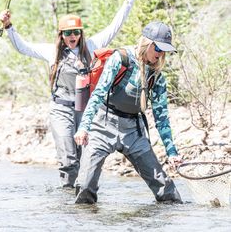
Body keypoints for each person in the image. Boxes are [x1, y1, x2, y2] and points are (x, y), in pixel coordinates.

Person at [0, 0, 141, 188]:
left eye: (76, 32)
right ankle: (67, 199)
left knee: (84, 157)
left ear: (81, 34)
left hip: (84, 110)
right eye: (68, 33)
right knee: (68, 159)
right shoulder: (51, 52)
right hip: (60, 109)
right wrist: (8, 27)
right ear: (61, 35)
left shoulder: (91, 46)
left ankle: (81, 198)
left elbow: (114, 27)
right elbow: (23, 47)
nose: (72, 36)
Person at [74, 21, 183, 204]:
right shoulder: (121, 58)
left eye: (164, 50)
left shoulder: (157, 77)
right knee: (85, 188)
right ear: (146, 43)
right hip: (103, 124)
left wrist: (172, 152)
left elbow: (162, 118)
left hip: (134, 131)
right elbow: (99, 93)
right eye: (158, 48)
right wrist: (84, 127)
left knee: (167, 193)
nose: (161, 54)